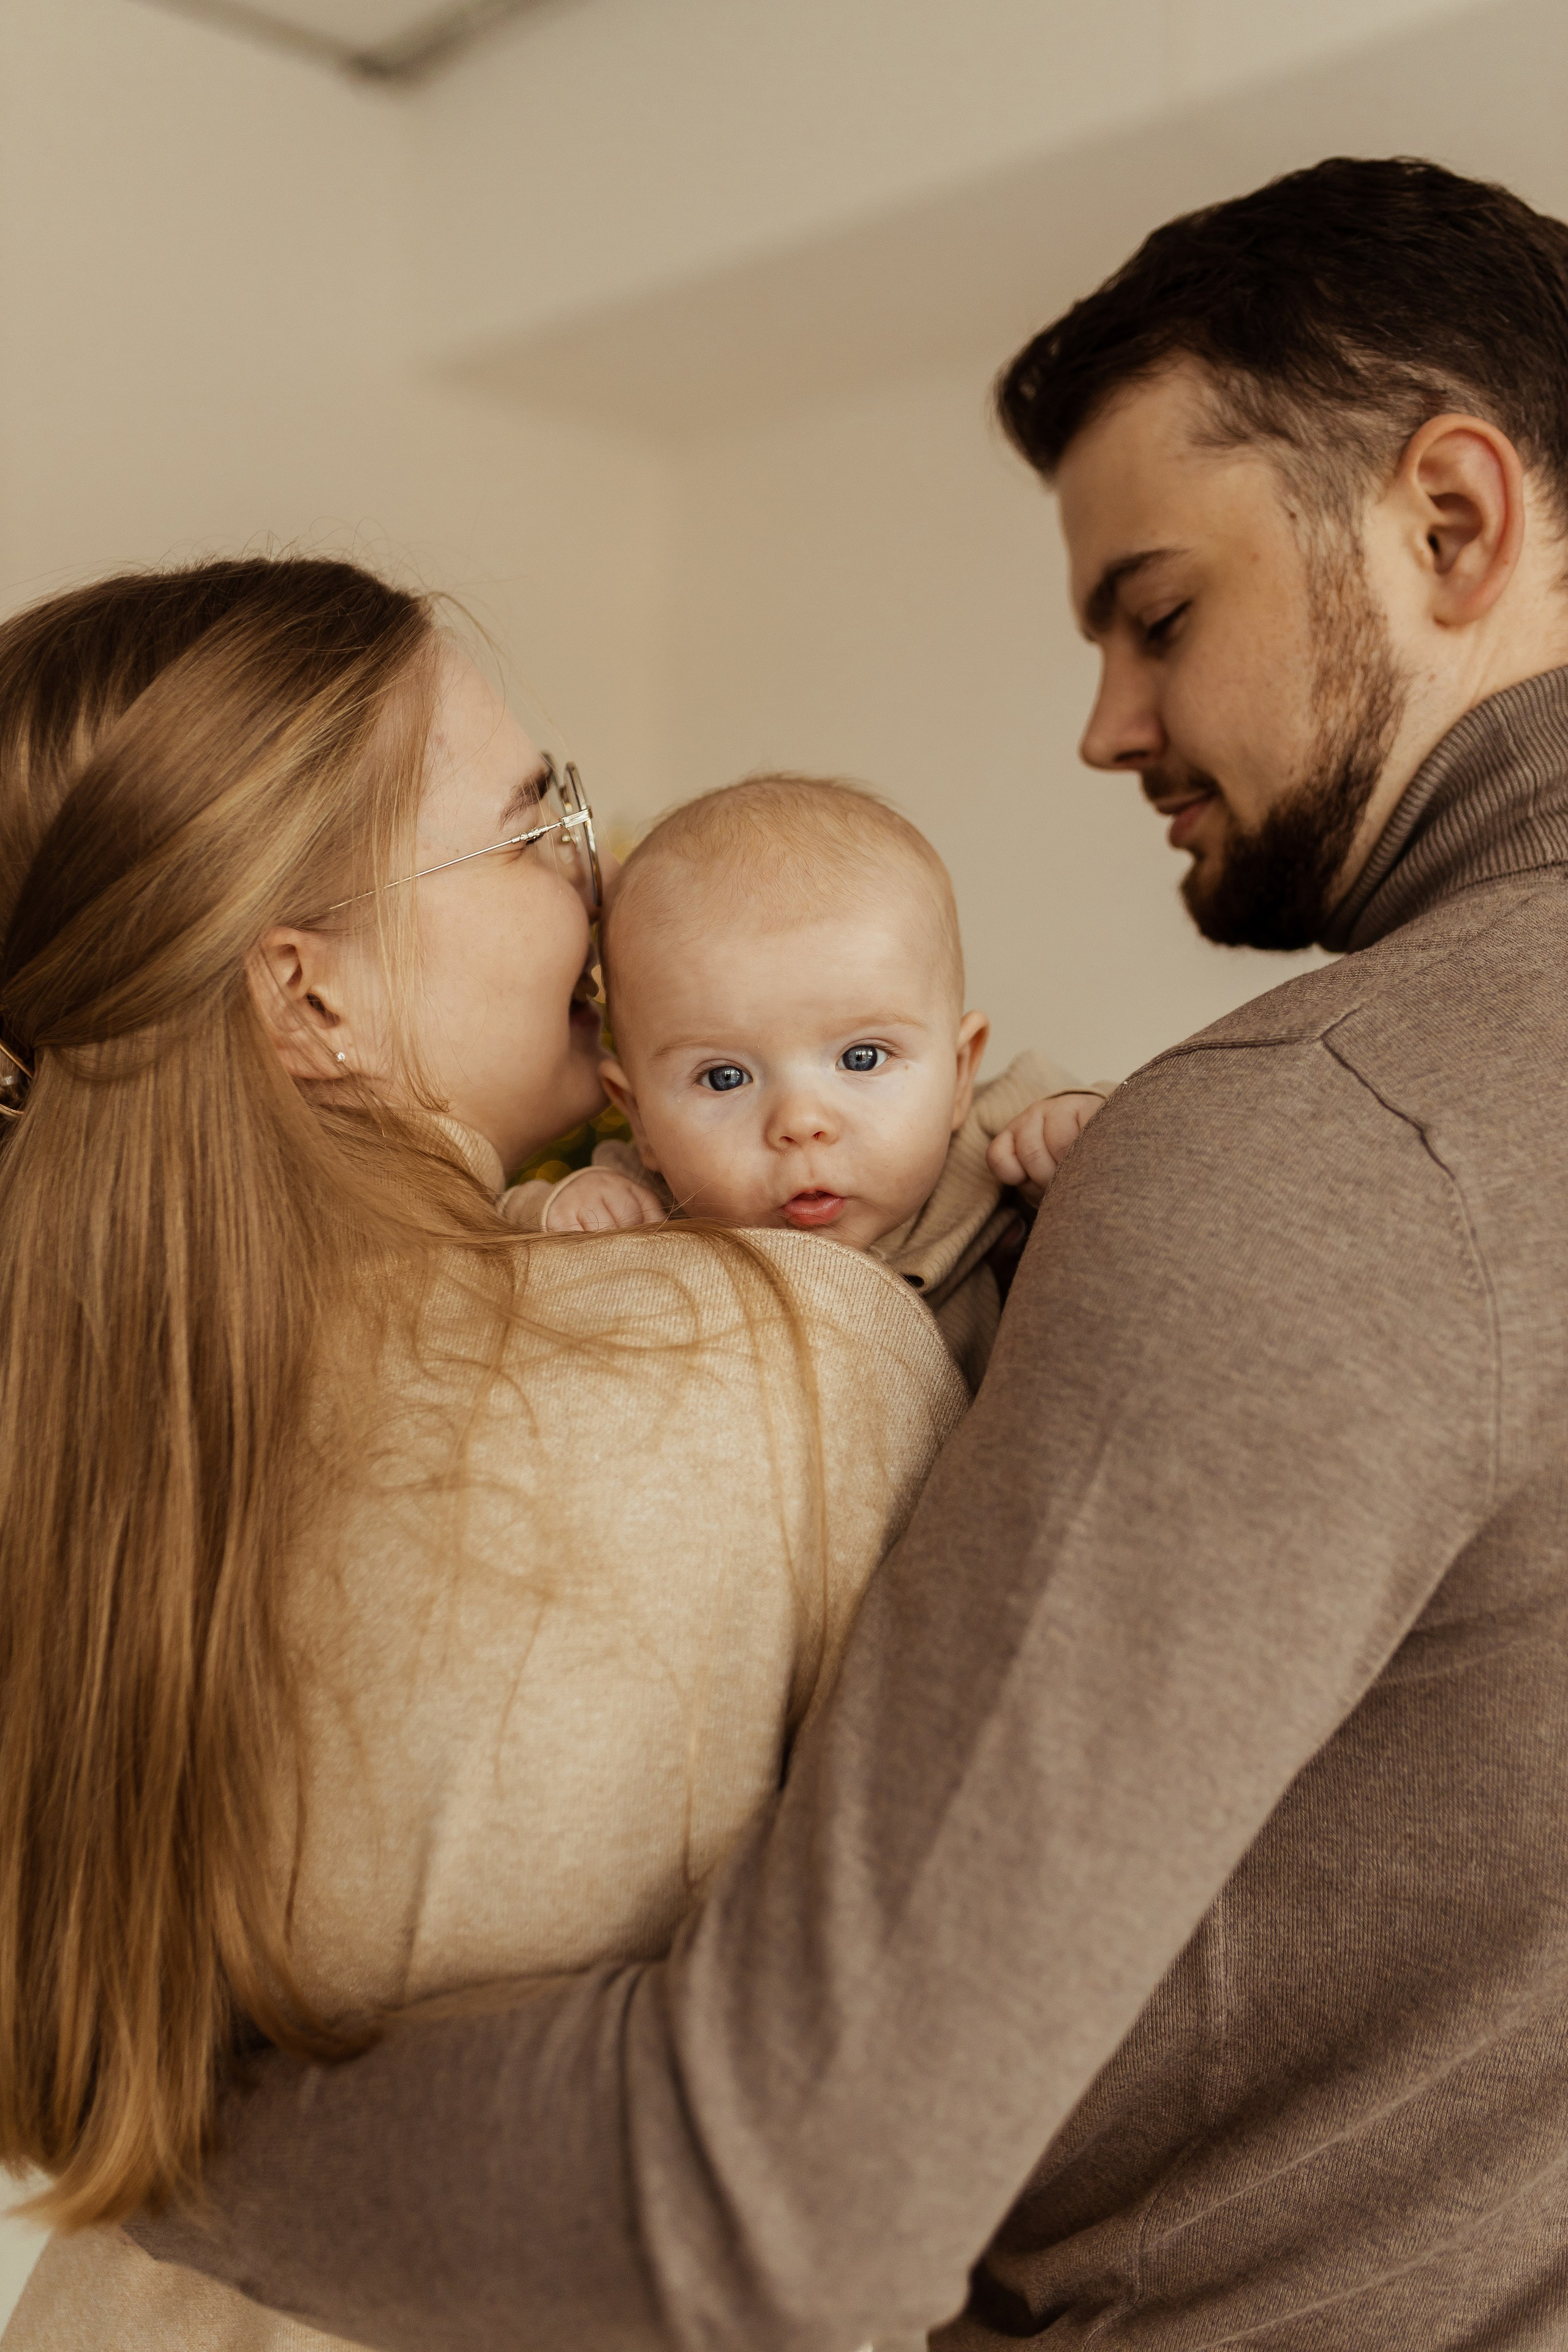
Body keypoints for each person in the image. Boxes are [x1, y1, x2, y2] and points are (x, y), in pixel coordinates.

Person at [123, 154, 1568, 2348]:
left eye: (1154, 612)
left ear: (1448, 525)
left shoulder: (1316, 1145)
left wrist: (129, 2107)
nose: (1099, 722)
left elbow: (762, 2211)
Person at [0, 558, 966, 2350]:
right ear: (310, 1003)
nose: (609, 875)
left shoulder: (65, 1438)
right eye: (539, 825)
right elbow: (946, 2094)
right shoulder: (775, 1343)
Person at [507, 772, 1110, 1388]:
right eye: (723, 1077)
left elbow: (1146, 1149)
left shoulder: (995, 1140)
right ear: (641, 1122)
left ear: (959, 1076)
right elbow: (497, 1255)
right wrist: (557, 1210)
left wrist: (1079, 1125)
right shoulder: (650, 1204)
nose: (800, 1122)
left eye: (862, 1059)